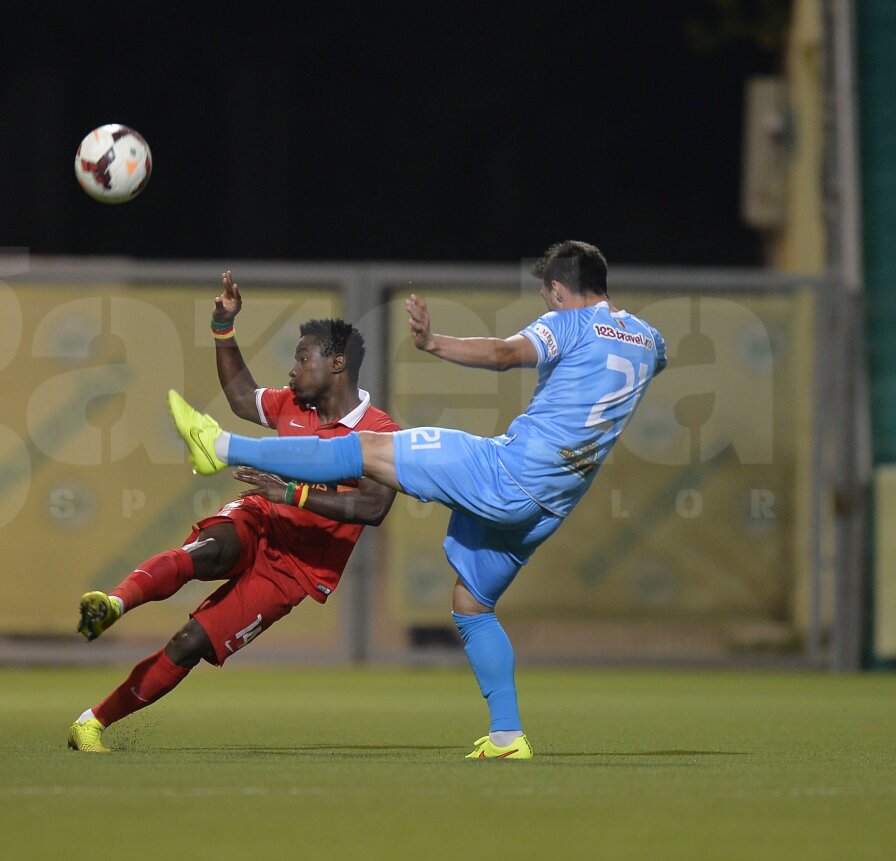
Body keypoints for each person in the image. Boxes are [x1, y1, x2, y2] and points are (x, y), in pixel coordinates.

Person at [169, 240, 667, 760]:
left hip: (504, 473)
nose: (547, 307)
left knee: (364, 450)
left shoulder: (573, 322)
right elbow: (651, 361)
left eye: (547, 298)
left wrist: (434, 343)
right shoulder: (648, 339)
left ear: (560, 290)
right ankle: (506, 737)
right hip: (548, 506)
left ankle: (220, 446)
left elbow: (503, 353)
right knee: (472, 605)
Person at [68, 271, 400, 753]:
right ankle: (114, 604)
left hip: (296, 571)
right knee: (209, 550)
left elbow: (373, 506)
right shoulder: (294, 405)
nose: (292, 371)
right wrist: (223, 327)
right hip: (261, 518)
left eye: (302, 359)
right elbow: (243, 398)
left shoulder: (380, 432)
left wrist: (294, 495)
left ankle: (91, 723)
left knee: (189, 644)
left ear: (337, 364)